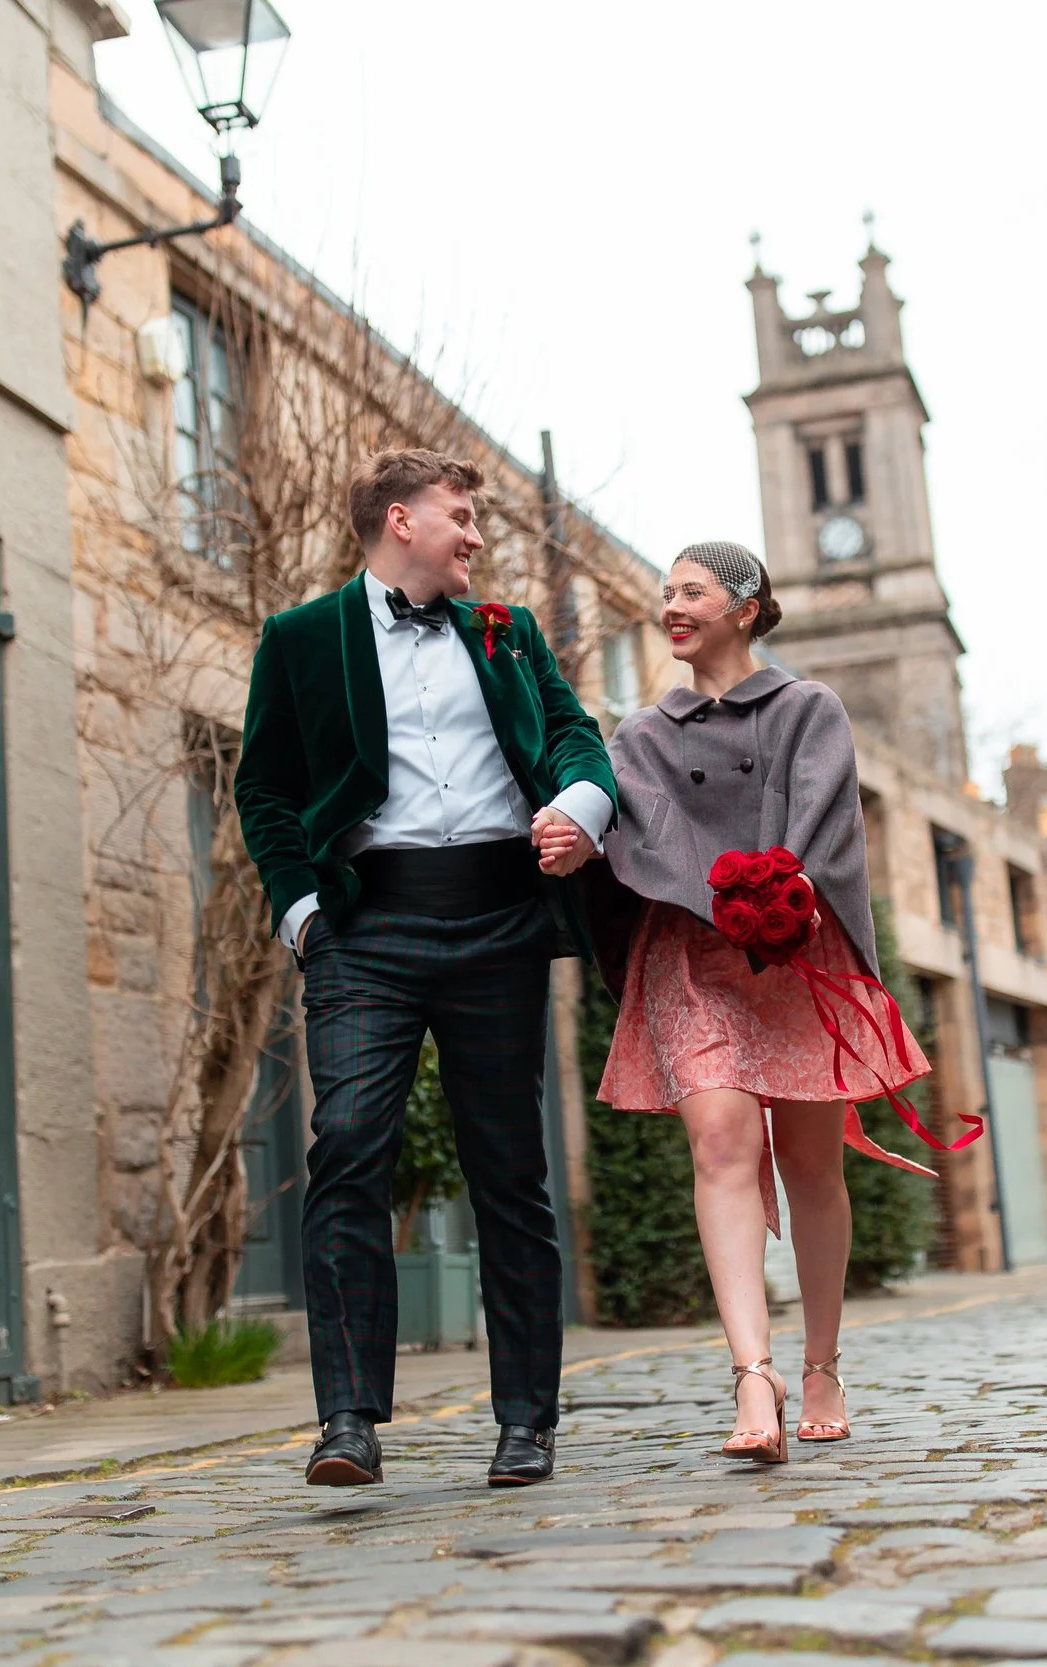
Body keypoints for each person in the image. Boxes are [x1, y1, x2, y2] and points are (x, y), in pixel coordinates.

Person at [236, 448, 615, 1489]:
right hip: (368, 926)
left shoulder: (508, 632)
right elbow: (263, 786)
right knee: (348, 1144)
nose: (477, 537)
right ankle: (348, 1419)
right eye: (461, 517)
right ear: (401, 521)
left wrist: (579, 808)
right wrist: (303, 912)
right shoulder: (302, 638)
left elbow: (579, 738)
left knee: (510, 1170)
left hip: (498, 914)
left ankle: (526, 1422)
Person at [593, 540, 938, 1463]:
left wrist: (776, 895)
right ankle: (754, 1374)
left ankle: (820, 1362)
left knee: (812, 1165)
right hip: (693, 957)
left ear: (746, 607)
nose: (672, 605)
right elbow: (640, 842)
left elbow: (825, 822)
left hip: (794, 947)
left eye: (692, 591)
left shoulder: (806, 709)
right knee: (720, 1143)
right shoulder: (641, 733)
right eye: (665, 592)